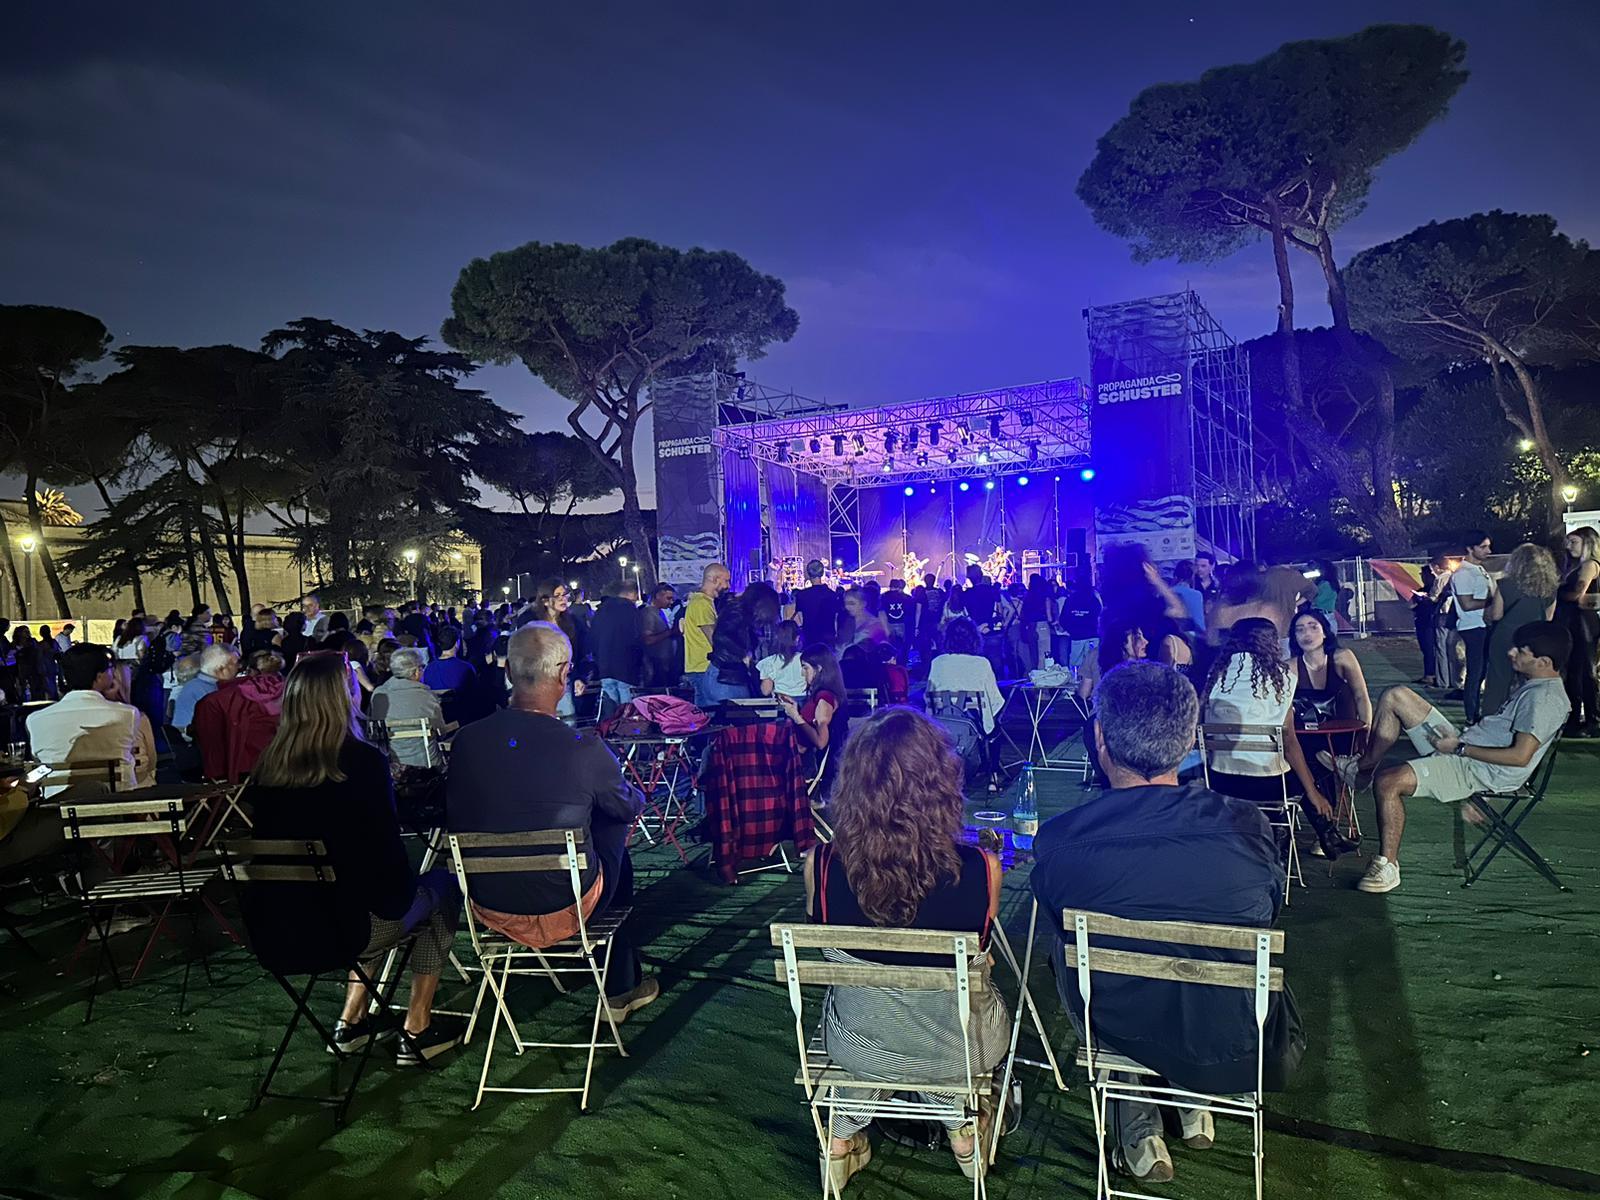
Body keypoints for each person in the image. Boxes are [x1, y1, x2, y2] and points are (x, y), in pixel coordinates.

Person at [1031, 662, 1292, 1185]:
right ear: (1189, 739)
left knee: (1081, 954)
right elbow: (1267, 911)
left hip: (1119, 1018)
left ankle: (1140, 1127)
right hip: (1232, 1029)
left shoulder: (1062, 839)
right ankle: (1193, 1099)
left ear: (1099, 737)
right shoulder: (1248, 826)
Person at [804, 707, 1010, 1190]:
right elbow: (983, 951)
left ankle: (841, 1140)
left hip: (858, 1042)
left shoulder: (821, 866)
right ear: (942, 782)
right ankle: (961, 1126)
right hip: (961, 1045)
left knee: (880, 1015)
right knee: (949, 1008)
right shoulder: (982, 868)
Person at [245, 651, 462, 1064]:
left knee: (368, 895)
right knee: (438, 889)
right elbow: (386, 859)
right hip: (345, 927)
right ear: (342, 696)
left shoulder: (267, 766)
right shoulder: (361, 763)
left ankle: (353, 1019)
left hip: (277, 928)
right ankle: (417, 1026)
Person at [446, 623, 658, 1020]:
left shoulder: (467, 742)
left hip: (487, 901)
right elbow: (629, 808)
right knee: (612, 832)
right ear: (564, 674)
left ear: (508, 672)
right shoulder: (583, 747)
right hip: (567, 904)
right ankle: (619, 988)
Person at [1324, 622, 1572, 894]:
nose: (1512, 652)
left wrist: (1460, 750)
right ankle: (1362, 770)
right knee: (1396, 696)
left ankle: (1388, 866)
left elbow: (1520, 757)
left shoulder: (1543, 699)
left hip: (1475, 767)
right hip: (1465, 748)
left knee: (1388, 782)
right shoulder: (1536, 686)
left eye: (1521, 651)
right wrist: (1459, 744)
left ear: (1544, 661)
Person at [1201, 618, 1353, 860]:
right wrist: (1313, 792)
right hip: (1267, 785)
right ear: (1271, 643)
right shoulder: (1282, 677)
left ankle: (1322, 834)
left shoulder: (1214, 676)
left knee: (1294, 770)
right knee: (1312, 767)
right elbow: (1289, 742)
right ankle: (1323, 832)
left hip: (1220, 780)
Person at [26, 643, 157, 798]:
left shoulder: (36, 719)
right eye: (109, 668)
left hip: (59, 810)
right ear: (100, 676)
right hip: (118, 806)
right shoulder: (127, 714)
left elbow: (40, 764)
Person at [926, 619, 1005, 793]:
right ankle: (992, 776)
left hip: (942, 721)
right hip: (972, 722)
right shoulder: (981, 664)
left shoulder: (937, 662)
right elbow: (994, 699)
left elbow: (929, 695)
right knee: (995, 728)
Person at [1483, 543, 1559, 715]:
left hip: (1505, 635)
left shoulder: (1505, 584)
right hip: (1534, 639)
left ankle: (1491, 720)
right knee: (1530, 681)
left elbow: (1496, 615)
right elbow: (1548, 618)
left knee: (1498, 680)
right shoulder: (1551, 589)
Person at [193, 649, 287, 783]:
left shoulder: (220, 699)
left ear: (249, 670)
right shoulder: (298, 691)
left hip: (244, 770)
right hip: (292, 762)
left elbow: (211, 741)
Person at [778, 644, 849, 794]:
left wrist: (796, 717)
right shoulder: (821, 695)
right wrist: (796, 708)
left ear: (819, 669)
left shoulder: (825, 698)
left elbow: (821, 742)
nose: (803, 674)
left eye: (805, 668)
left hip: (809, 768)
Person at [370, 648, 452, 770]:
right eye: (422, 667)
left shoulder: (378, 695)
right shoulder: (426, 697)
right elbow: (441, 732)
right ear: (416, 672)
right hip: (427, 765)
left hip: (393, 766)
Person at [1556, 527, 1600, 736]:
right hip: (1576, 621)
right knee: (1577, 671)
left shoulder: (1589, 565)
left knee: (1581, 671)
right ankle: (1584, 718)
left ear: (1587, 543)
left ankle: (1588, 719)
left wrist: (1555, 592)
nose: (1569, 546)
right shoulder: (1576, 566)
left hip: (1581, 623)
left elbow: (1577, 594)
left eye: (1574, 542)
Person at [1450, 531, 1495, 723]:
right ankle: (1471, 715)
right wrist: (1493, 602)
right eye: (1483, 547)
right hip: (1473, 627)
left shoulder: (1478, 570)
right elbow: (1467, 604)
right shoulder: (1463, 573)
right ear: (1470, 548)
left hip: (1482, 625)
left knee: (1481, 672)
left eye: (1488, 546)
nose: (1488, 551)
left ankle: (1476, 712)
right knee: (1475, 673)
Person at [588, 580, 646, 716]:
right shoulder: (631, 611)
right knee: (627, 706)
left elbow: (593, 636)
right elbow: (637, 638)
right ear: (632, 593)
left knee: (610, 704)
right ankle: (627, 730)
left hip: (604, 666)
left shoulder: (601, 610)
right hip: (626, 666)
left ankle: (610, 729)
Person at [682, 563, 730, 708]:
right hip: (704, 668)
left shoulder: (702, 602)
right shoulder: (702, 604)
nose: (727, 586)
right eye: (726, 581)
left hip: (700, 668)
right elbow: (714, 639)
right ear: (714, 579)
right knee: (710, 713)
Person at [172, 643, 241, 733]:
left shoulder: (205, 686)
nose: (239, 667)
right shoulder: (200, 689)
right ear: (221, 668)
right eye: (235, 664)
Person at [1411, 551, 1448, 686]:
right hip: (1430, 619)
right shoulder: (1448, 578)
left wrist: (1424, 598)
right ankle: (1440, 677)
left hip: (1432, 620)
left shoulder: (1439, 580)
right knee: (1438, 648)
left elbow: (1433, 599)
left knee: (1434, 648)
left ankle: (1436, 677)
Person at [793, 559, 842, 649]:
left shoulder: (802, 595)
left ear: (808, 573)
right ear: (822, 573)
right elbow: (836, 619)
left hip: (809, 638)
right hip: (828, 638)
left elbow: (799, 618)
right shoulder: (832, 595)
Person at [1061, 567, 1102, 673]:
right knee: (1093, 663)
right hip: (1092, 635)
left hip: (1077, 637)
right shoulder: (1094, 599)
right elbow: (1099, 614)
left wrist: (1071, 630)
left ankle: (1075, 686)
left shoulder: (1071, 599)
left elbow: (1063, 619)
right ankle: (1094, 685)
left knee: (1075, 664)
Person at [640, 583, 680, 688]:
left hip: (663, 663)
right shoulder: (648, 613)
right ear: (658, 596)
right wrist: (670, 632)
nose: (671, 602)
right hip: (655, 664)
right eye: (668, 598)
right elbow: (648, 640)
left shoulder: (659, 612)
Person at [756, 619, 807, 700]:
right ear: (797, 638)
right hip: (803, 702)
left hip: (782, 702)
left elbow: (766, 691)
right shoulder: (806, 660)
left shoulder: (771, 662)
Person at [1018, 574, 1057, 672]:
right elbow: (1049, 616)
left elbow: (1022, 615)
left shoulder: (1028, 597)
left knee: (1033, 655)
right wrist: (1053, 622)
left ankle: (1033, 675)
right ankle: (1043, 679)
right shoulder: (1045, 596)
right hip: (1042, 625)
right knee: (1044, 654)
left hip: (1030, 627)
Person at [1170, 561, 1206, 636]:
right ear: (1192, 576)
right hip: (1192, 637)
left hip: (1171, 635)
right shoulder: (1196, 595)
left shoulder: (1166, 593)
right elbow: (1199, 622)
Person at [881, 579, 913, 650]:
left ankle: (892, 659)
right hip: (902, 623)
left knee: (890, 645)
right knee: (901, 646)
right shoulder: (906, 597)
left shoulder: (883, 596)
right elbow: (910, 612)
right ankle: (900, 659)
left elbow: (881, 612)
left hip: (888, 624)